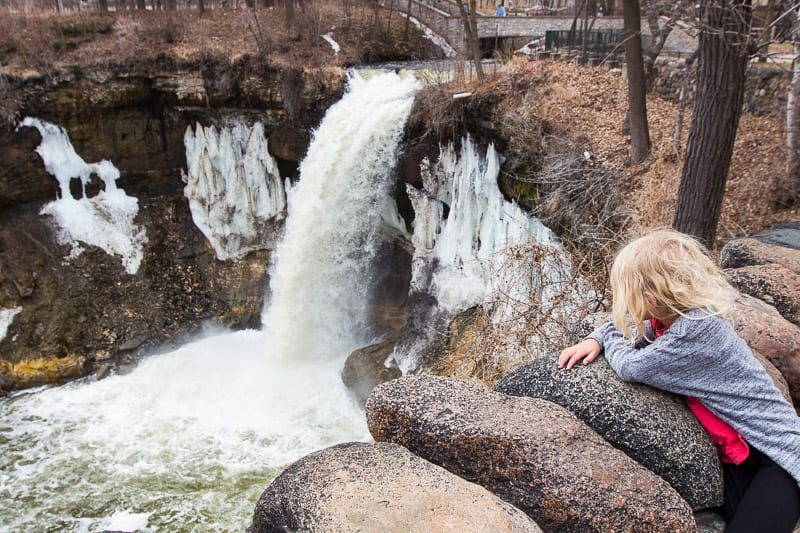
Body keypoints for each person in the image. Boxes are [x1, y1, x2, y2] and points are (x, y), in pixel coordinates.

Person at [558, 229, 800, 533]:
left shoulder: (693, 334)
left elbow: (630, 366)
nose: (625, 302)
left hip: (780, 458)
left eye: (628, 294)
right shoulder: (681, 316)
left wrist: (608, 337)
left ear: (651, 299)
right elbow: (633, 325)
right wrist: (598, 335)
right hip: (743, 455)